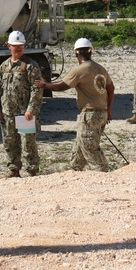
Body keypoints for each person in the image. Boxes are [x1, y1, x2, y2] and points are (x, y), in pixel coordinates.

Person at [36, 38, 115, 172]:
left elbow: (61, 86)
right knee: (80, 145)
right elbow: (111, 88)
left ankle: (103, 173)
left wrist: (45, 85)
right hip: (101, 112)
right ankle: (75, 170)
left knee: (90, 147)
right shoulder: (100, 68)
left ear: (76, 53)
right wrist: (108, 109)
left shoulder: (79, 70)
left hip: (89, 114)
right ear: (91, 51)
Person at [0, 30, 43, 178]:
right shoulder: (3, 67)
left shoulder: (31, 66)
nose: (18, 48)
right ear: (9, 46)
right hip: (8, 112)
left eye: (21, 45)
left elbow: (37, 90)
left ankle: (32, 171)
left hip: (24, 114)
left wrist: (31, 109)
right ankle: (14, 169)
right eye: (15, 46)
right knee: (10, 142)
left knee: (29, 144)